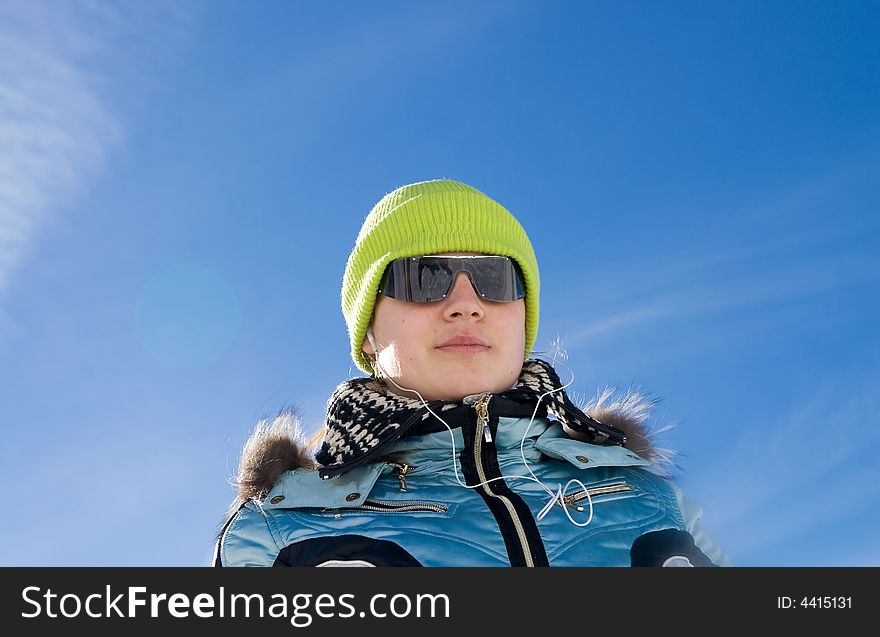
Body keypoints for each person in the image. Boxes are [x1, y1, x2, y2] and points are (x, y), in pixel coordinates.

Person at [214, 179, 731, 567]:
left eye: (494, 277)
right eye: (425, 277)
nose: (466, 304)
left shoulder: (649, 498)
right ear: (369, 332)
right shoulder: (281, 531)